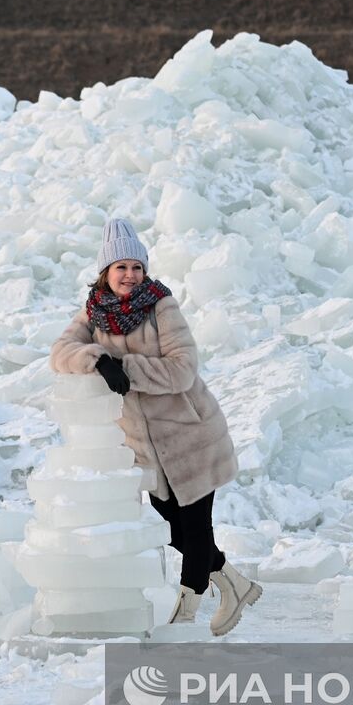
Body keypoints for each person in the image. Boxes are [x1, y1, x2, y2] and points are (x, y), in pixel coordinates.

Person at [50, 218, 261, 636]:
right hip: (145, 447)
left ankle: (186, 616)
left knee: (197, 528)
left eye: (137, 267)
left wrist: (124, 367)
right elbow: (60, 352)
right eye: (121, 268)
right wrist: (98, 359)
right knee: (172, 529)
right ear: (105, 273)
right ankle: (235, 584)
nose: (130, 276)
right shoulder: (94, 313)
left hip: (190, 436)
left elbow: (182, 371)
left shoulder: (161, 306)